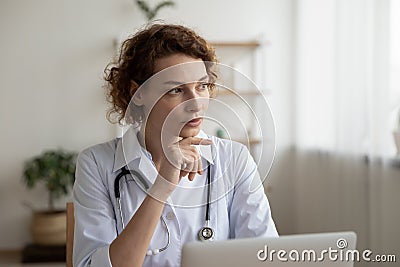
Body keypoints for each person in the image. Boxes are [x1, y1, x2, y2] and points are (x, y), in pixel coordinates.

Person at [73, 23, 278, 267]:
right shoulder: (97, 164)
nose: (195, 103)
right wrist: (162, 186)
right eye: (176, 90)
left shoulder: (234, 159)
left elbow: (265, 256)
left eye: (202, 86)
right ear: (137, 93)